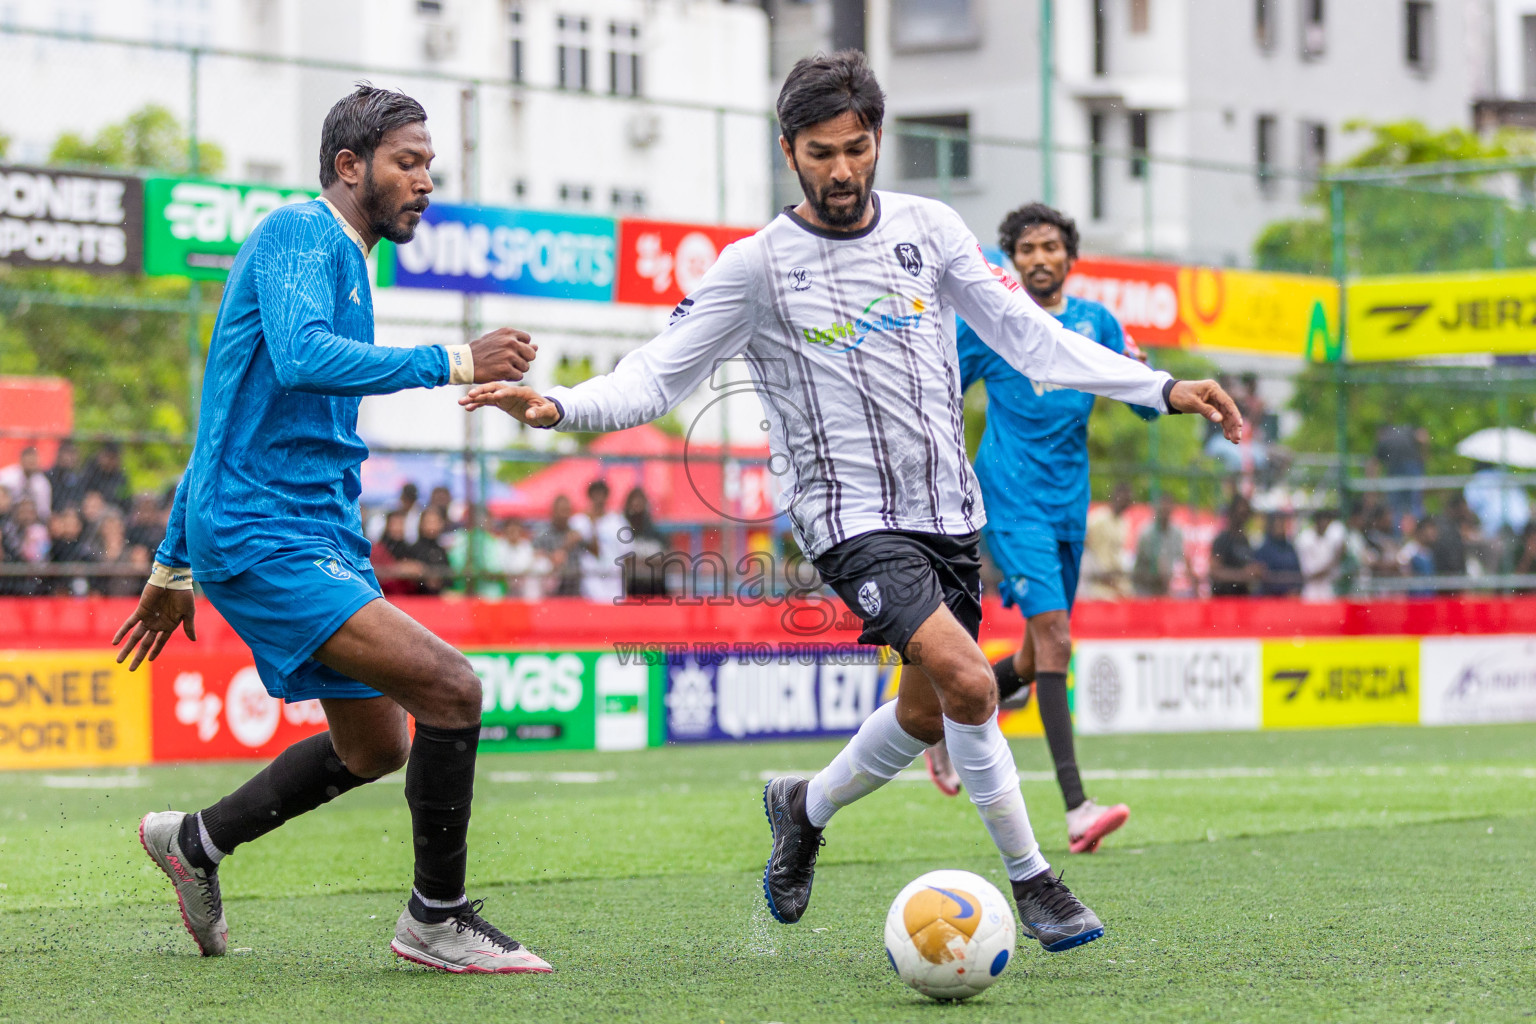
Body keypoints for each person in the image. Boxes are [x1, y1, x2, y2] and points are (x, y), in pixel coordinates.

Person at [461, 51, 1242, 952]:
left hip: (949, 512)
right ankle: (1036, 880)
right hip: (847, 520)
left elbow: (1028, 337)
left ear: (878, 139)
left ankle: (803, 806)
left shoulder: (930, 229)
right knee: (970, 680)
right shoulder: (755, 266)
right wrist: (559, 407)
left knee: (923, 713)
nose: (842, 170)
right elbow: (654, 376)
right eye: (821, 153)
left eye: (857, 149)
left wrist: (1160, 388)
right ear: (788, 151)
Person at [111, 85, 549, 973]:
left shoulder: (343, 257)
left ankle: (194, 842)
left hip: (311, 532)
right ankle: (436, 921)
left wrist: (171, 564)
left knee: (377, 744)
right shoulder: (300, 234)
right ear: (350, 166)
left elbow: (224, 415)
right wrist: (455, 359)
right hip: (266, 534)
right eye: (407, 162)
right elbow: (304, 357)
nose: (425, 181)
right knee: (453, 689)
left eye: (429, 164)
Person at [923, 203, 1155, 854]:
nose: (1039, 258)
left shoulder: (1096, 322)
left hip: (1068, 506)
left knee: (1034, 657)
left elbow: (1142, 394)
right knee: (1056, 639)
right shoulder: (993, 324)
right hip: (1011, 499)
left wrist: (1151, 383)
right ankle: (1078, 808)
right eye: (1026, 249)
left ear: (1070, 257)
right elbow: (936, 391)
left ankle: (938, 725)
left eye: (1050, 246)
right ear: (1011, 260)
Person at [570, 479, 628, 602]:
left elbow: (627, 553)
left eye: (602, 494)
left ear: (607, 496)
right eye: (595, 495)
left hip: (614, 580)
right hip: (589, 580)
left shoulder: (617, 521)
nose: (598, 499)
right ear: (589, 496)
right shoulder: (578, 521)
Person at [1080, 482, 1137, 600]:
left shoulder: (1124, 523)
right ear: (1115, 496)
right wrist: (1095, 570)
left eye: (1128, 500)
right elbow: (1083, 544)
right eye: (1123, 498)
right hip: (1097, 583)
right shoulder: (1098, 519)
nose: (1125, 503)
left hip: (1116, 582)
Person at [1132, 492, 1187, 597]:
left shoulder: (1177, 533)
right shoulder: (1146, 533)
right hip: (1145, 587)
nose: (1165, 510)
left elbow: (1182, 559)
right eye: (1163, 507)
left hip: (1165, 587)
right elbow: (1143, 567)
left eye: (1168, 507)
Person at [533, 494, 586, 597]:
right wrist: (562, 549)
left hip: (575, 589)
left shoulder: (576, 534)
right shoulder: (544, 535)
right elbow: (535, 556)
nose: (564, 515)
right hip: (552, 592)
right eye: (561, 510)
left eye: (567, 510)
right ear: (553, 512)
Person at [619, 486, 669, 597]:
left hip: (654, 584)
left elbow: (666, 557)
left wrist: (640, 560)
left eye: (640, 504)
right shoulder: (622, 531)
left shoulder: (655, 532)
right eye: (634, 505)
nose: (637, 508)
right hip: (631, 584)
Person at [1209, 496, 1260, 597]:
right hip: (1224, 597)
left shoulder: (1245, 540)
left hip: (1242, 597)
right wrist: (1242, 575)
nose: (1243, 519)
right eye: (1240, 514)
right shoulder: (1222, 540)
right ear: (1232, 514)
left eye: (1245, 514)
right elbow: (1214, 572)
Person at [1295, 508, 1345, 602]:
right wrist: (1334, 561)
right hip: (1310, 590)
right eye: (1322, 520)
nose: (1325, 524)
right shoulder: (1305, 539)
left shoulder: (1330, 539)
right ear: (1316, 521)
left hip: (1327, 589)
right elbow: (1308, 573)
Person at [1252, 511, 1302, 597]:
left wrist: (1295, 590)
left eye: (1282, 523)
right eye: (1277, 523)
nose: (1281, 527)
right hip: (1270, 597)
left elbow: (1298, 572)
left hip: (1291, 597)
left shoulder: (1290, 549)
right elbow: (1262, 575)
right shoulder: (1263, 550)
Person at [0, 445, 52, 516]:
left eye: (32, 462)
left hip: (30, 517)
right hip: (7, 513)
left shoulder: (42, 483)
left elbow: (43, 511)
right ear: (21, 460)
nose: (30, 463)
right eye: (28, 460)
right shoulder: (8, 475)